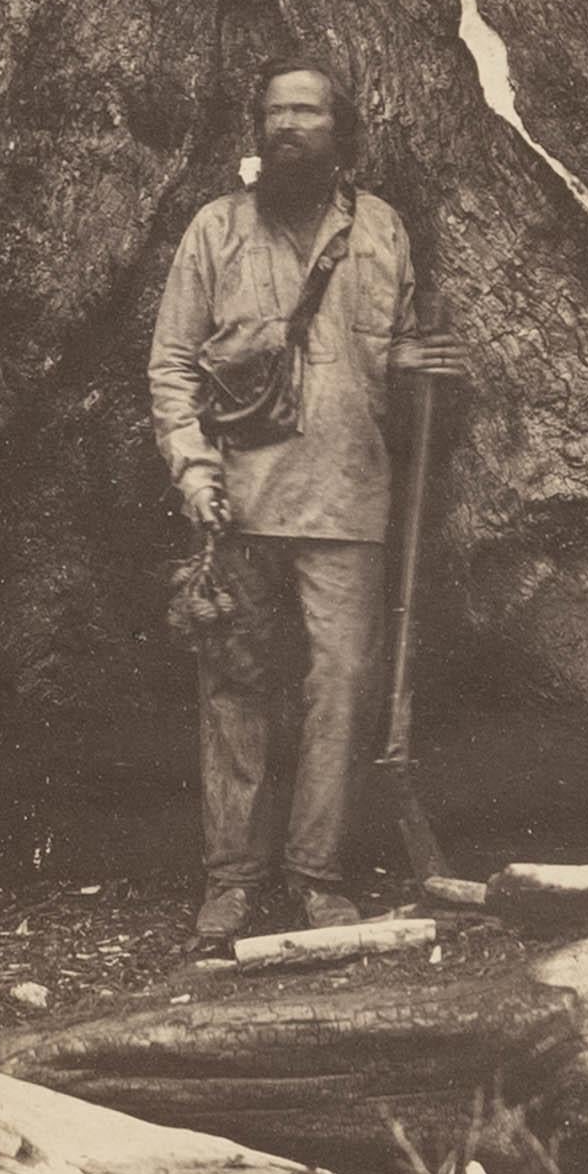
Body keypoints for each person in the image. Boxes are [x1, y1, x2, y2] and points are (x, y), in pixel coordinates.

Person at [147, 62, 467, 949]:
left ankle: (318, 876)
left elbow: (385, 352)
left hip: (351, 500)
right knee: (235, 691)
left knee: (341, 688)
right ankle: (232, 882)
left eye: (308, 111)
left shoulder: (381, 230)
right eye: (276, 111)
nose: (290, 125)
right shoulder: (215, 230)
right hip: (237, 506)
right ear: (257, 128)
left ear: (341, 129)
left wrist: (416, 367)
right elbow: (172, 364)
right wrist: (193, 468)